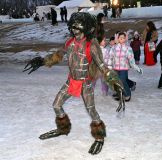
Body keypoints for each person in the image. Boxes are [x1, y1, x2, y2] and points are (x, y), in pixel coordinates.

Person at [23, 12, 125, 155]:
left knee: (92, 111)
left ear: (86, 28)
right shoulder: (70, 42)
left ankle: (100, 137)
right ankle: (63, 128)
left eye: (78, 27)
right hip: (71, 80)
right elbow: (58, 55)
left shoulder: (92, 44)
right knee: (56, 105)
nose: (74, 30)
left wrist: (116, 84)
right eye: (73, 26)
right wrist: (43, 61)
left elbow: (102, 67)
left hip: (85, 83)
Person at [108, 32, 143, 102]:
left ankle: (127, 94)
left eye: (123, 38)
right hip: (115, 68)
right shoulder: (114, 48)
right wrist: (109, 65)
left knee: (122, 80)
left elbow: (131, 59)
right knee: (116, 81)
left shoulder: (128, 48)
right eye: (120, 38)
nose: (122, 39)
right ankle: (119, 94)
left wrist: (136, 68)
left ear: (125, 39)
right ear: (117, 39)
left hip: (124, 68)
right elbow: (110, 57)